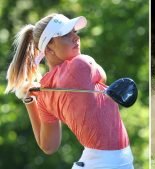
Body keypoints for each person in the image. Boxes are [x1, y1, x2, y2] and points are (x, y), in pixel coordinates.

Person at [5, 13, 134, 168]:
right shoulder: (81, 64)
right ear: (49, 47)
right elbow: (103, 76)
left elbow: (48, 146)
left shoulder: (45, 93)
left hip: (100, 162)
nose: (76, 37)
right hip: (107, 163)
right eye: (66, 34)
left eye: (74, 32)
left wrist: (29, 99)